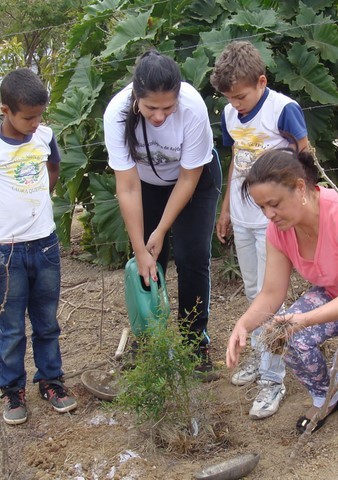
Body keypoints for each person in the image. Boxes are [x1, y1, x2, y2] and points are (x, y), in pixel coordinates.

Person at [103, 50, 222, 369]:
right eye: (150, 108)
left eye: (167, 107)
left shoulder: (193, 108)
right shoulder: (116, 113)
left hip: (194, 183)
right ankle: (149, 342)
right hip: (145, 186)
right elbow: (126, 187)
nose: (159, 116)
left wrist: (160, 229)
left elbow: (187, 179)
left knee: (192, 255)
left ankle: (195, 343)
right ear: (135, 97)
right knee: (148, 261)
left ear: (178, 96)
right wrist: (141, 248)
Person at [210, 40, 308, 418]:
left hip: (275, 221)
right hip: (244, 214)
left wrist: (301, 210)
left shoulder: (283, 110)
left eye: (241, 96)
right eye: (230, 98)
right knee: (254, 294)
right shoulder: (229, 114)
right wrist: (226, 209)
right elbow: (236, 157)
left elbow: (304, 155)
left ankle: (273, 378)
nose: (236, 104)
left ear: (262, 81)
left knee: (273, 298)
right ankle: (259, 357)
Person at [226, 147, 338, 433]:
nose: (268, 214)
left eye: (273, 204)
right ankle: (326, 397)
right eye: (261, 207)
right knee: (283, 335)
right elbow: (272, 293)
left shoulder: (335, 214)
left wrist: (305, 319)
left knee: (296, 325)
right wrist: (244, 325)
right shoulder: (279, 230)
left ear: (300, 187)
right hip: (331, 294)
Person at [0, 68, 77, 425]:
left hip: (44, 245)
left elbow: (54, 170)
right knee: (11, 326)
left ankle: (51, 381)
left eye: (39, 115)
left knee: (47, 321)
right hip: (7, 252)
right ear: (5, 110)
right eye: (28, 117)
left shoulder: (44, 136)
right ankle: (12, 390)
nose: (35, 122)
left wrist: (38, 202)